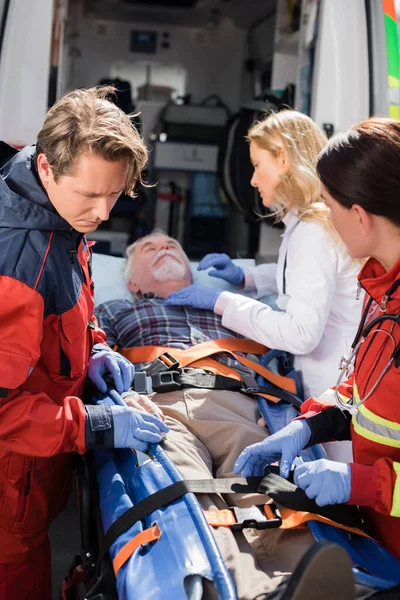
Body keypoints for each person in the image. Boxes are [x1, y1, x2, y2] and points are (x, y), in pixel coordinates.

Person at [95, 230, 355, 600]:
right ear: (132, 283)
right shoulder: (115, 310)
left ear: (189, 270)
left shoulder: (227, 306)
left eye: (171, 246)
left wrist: (277, 406)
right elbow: (92, 351)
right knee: (184, 489)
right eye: (149, 248)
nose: (164, 248)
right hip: (155, 405)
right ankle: (238, 588)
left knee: (263, 485)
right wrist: (117, 397)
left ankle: (301, 578)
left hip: (233, 399)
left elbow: (281, 346)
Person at [0, 87, 168, 600]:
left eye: (114, 194)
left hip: (33, 477)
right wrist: (94, 424)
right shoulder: (18, 259)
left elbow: (64, 314)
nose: (101, 211)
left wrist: (93, 348)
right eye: (89, 195)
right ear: (47, 168)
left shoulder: (57, 218)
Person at [234, 117, 400, 564]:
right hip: (379, 537)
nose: (324, 217)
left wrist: (360, 483)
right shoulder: (381, 290)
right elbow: (361, 390)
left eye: (329, 205)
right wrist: (310, 424)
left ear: (361, 217)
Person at [166, 110, 362, 402]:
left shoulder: (312, 232)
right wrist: (248, 277)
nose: (254, 180)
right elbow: (308, 275)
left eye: (258, 165)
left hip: (332, 386)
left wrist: (223, 302)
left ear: (283, 159)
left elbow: (300, 334)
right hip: (330, 381)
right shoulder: (311, 223)